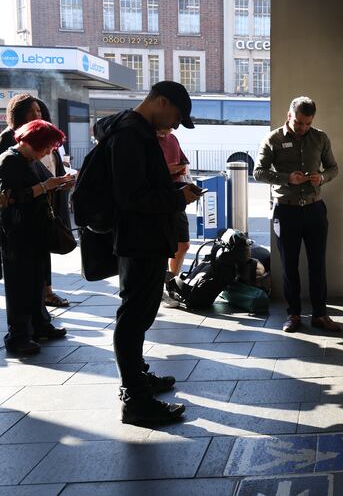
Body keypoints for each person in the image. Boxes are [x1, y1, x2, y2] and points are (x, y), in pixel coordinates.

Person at [97, 81, 203, 425]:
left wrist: (173, 191)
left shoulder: (135, 131)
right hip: (138, 239)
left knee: (140, 314)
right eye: (175, 117)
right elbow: (130, 198)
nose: (173, 126)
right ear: (160, 101)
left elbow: (139, 188)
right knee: (133, 316)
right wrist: (178, 198)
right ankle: (135, 399)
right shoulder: (131, 135)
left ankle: (137, 379)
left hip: (144, 237)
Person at [254, 96, 340, 333]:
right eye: (299, 122)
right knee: (289, 265)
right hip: (285, 210)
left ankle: (320, 315)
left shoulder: (320, 138)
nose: (302, 128)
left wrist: (322, 177)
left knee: (317, 265)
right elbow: (258, 172)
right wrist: (286, 178)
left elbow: (333, 168)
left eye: (307, 124)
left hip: (314, 209)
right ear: (289, 115)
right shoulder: (273, 139)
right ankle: (293, 315)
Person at [0, 120, 73, 355]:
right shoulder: (10, 161)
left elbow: (41, 186)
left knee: (36, 280)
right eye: (45, 147)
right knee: (20, 284)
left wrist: (57, 184)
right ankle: (18, 334)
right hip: (16, 232)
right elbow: (13, 197)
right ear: (31, 142)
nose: (46, 153)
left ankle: (39, 324)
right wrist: (47, 185)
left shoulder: (29, 160)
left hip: (34, 229)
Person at [156, 128, 191, 294]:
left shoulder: (173, 139)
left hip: (176, 195)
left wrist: (180, 168)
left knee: (183, 244)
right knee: (161, 246)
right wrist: (169, 169)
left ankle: (171, 280)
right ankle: (163, 285)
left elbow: (183, 161)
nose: (173, 126)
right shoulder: (147, 140)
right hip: (158, 199)